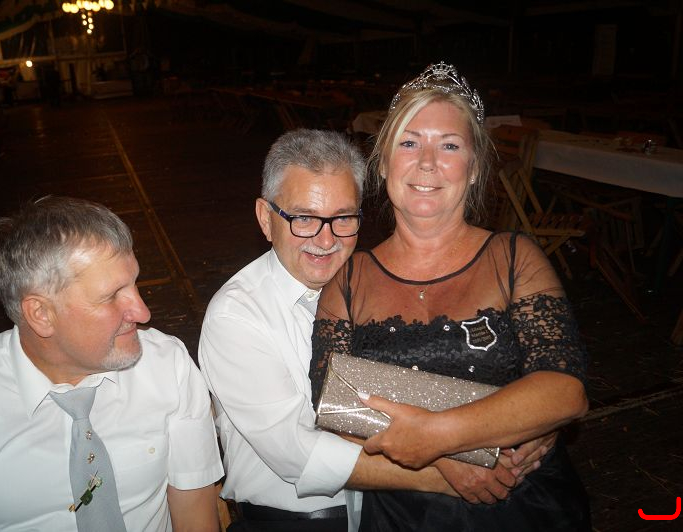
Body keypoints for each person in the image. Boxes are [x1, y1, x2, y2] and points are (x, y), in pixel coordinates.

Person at [198, 129, 546, 532]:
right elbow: (297, 452)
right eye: (304, 218)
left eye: (343, 218)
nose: (325, 240)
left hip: (394, 514)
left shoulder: (375, 287)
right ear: (265, 218)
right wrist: (444, 472)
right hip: (298, 523)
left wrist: (526, 428)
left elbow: (448, 379)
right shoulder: (236, 315)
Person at [309, 62, 591, 531]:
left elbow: (566, 390)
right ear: (383, 163)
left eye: (449, 145)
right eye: (409, 143)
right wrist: (444, 460)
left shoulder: (514, 258)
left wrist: (439, 437)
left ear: (474, 168)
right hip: (406, 514)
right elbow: (333, 404)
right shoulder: (349, 279)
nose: (427, 162)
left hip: (524, 504)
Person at [0, 196, 224, 531]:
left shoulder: (166, 365)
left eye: (134, 284)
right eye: (111, 297)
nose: (143, 312)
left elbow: (195, 512)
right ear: (41, 314)